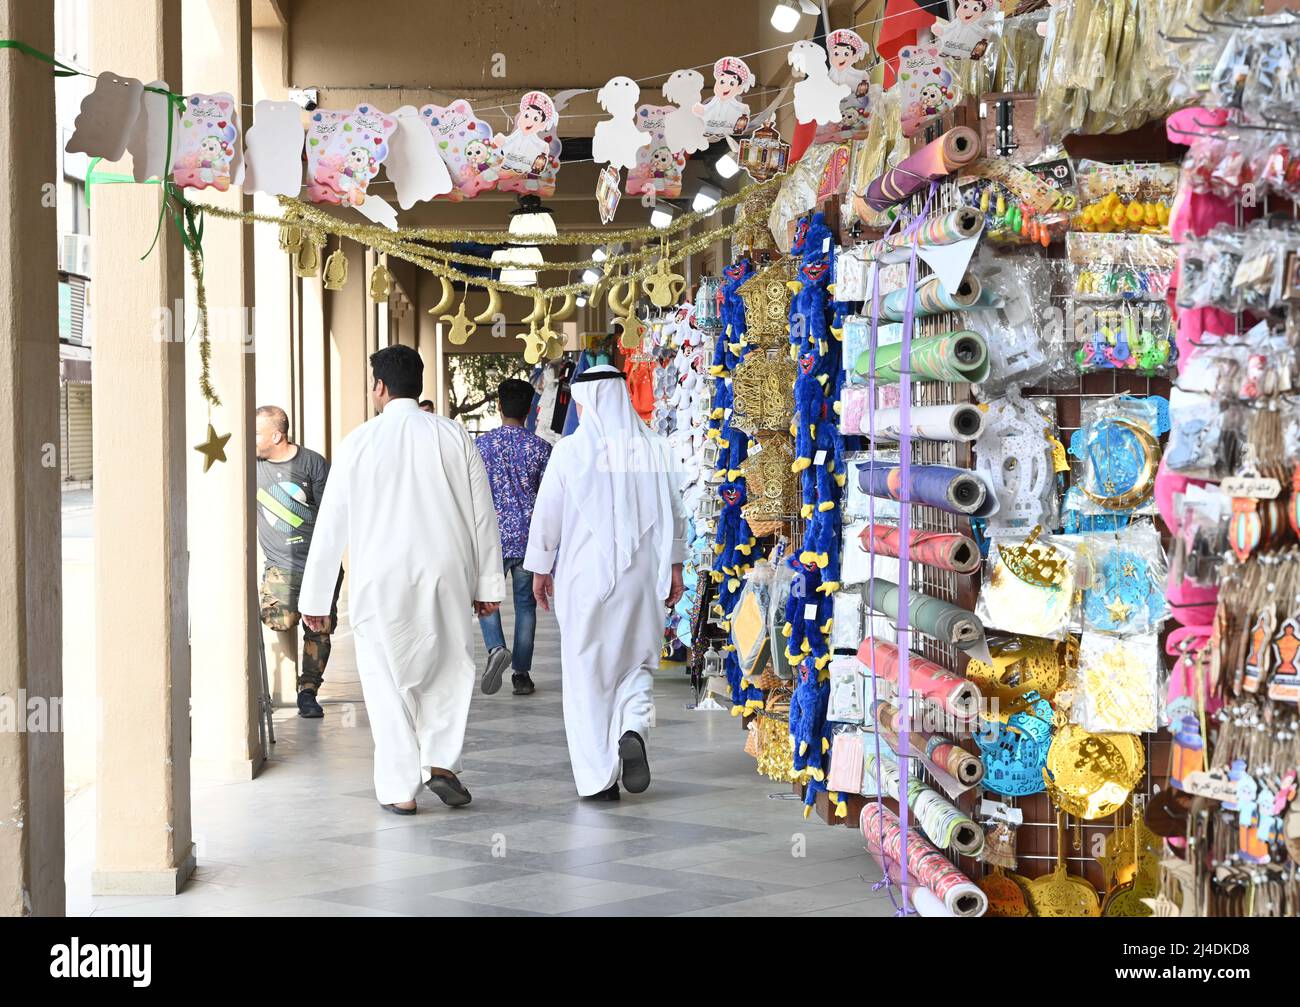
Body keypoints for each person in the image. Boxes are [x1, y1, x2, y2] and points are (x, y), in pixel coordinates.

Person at [299, 345, 505, 815]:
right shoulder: (454, 436)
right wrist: (488, 586)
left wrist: (316, 597)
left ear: (380, 387)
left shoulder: (358, 442)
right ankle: (441, 760)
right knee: (450, 669)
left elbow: (331, 523)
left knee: (384, 680)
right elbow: (482, 517)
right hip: (447, 573)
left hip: (380, 579)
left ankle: (400, 790)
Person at [525, 365, 686, 801]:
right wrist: (675, 567)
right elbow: (676, 513)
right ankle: (632, 729)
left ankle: (599, 778)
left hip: (584, 583)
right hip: (642, 581)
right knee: (637, 666)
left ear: (589, 401)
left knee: (587, 677)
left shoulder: (570, 452)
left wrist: (539, 569)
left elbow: (547, 519)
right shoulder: (654, 448)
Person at [253, 405, 342, 719]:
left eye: (257, 433)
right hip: (280, 565)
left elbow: (332, 514)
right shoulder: (251, 465)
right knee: (281, 619)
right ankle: (295, 615)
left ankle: (308, 691)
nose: (252, 439)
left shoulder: (312, 463)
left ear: (276, 435)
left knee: (319, 629)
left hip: (319, 564)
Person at [475, 378, 551, 696]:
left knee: (486, 601)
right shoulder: (541, 449)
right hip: (528, 539)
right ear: (530, 410)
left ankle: (496, 649)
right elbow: (549, 500)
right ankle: (521, 674)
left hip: (490, 539)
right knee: (526, 605)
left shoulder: (480, 446)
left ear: (498, 406)